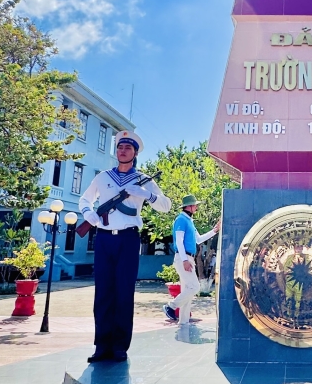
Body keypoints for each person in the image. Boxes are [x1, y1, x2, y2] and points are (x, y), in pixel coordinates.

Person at [79, 131, 171, 363]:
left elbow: (166, 206)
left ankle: (119, 346)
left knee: (124, 293)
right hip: (104, 238)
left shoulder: (144, 179)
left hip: (129, 239)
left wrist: (146, 194)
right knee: (103, 293)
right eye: (120, 147)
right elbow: (85, 199)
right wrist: (89, 214)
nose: (123, 151)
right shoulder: (103, 177)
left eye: (128, 148)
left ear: (135, 153)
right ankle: (102, 346)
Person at [163, 195, 219, 325]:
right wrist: (184, 260)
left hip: (188, 258)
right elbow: (179, 242)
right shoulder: (181, 220)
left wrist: (215, 231)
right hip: (184, 258)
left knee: (187, 291)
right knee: (194, 287)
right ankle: (170, 306)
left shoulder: (188, 221)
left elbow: (198, 239)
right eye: (195, 205)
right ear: (189, 206)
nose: (196, 207)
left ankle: (183, 323)